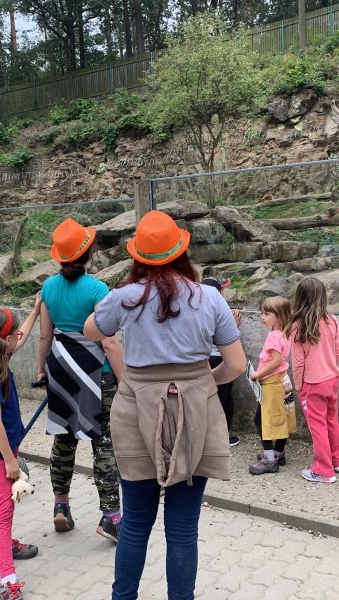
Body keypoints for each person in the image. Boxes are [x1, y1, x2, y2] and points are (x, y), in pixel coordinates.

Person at [84, 210, 247, 600]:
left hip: (136, 410)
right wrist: (202, 383)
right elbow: (236, 365)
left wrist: (117, 309)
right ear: (181, 251)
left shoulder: (123, 297)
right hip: (195, 412)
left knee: (136, 523)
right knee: (183, 528)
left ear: (138, 256)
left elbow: (92, 330)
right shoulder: (209, 297)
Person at [37, 218, 125, 542]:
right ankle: (111, 517)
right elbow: (109, 341)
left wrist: (41, 371)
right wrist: (125, 380)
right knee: (104, 440)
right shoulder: (98, 289)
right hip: (95, 370)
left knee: (63, 437)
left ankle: (61, 506)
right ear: (88, 254)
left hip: (60, 366)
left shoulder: (48, 287)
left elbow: (45, 335)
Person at [0, 302, 42, 600]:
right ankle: (7, 580)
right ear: (4, 339)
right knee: (4, 510)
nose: (19, 337)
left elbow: (20, 339)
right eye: (15, 333)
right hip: (0, 452)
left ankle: (2, 547)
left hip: (3, 448)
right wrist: (11, 461)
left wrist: (36, 310)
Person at [289, 277, 339, 483]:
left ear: (299, 297)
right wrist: (331, 368)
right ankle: (337, 460)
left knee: (317, 426)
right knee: (331, 421)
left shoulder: (297, 326)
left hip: (312, 384)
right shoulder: (332, 320)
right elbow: (338, 351)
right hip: (332, 378)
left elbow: (298, 361)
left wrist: (298, 385)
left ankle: (323, 470)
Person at [248, 296, 296, 475]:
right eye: (262, 313)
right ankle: (278, 452)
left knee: (262, 420)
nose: (262, 317)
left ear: (280, 315)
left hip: (272, 382)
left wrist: (258, 374)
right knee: (282, 416)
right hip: (283, 380)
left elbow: (276, 361)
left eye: (267, 314)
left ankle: (269, 459)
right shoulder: (286, 332)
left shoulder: (274, 336)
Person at [201, 276, 242, 447]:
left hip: (203, 358)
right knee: (224, 398)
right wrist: (234, 324)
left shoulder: (197, 308)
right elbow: (225, 338)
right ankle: (223, 436)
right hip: (220, 359)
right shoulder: (221, 308)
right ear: (220, 291)